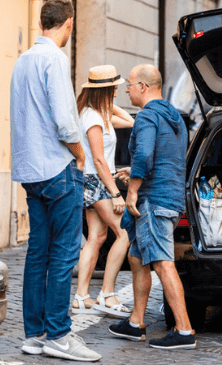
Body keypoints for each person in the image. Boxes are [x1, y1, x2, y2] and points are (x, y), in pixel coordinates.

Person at [10, 0, 100, 362]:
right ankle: (60, 336)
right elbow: (65, 118)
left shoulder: (22, 60)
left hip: (30, 169)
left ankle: (36, 334)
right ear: (68, 24)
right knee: (63, 256)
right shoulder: (54, 59)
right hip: (57, 168)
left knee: (37, 254)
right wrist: (80, 155)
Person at [108, 64, 196, 350]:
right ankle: (136, 323)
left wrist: (132, 190)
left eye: (130, 84)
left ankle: (183, 330)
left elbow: (145, 153)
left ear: (144, 87)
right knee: (136, 257)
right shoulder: (174, 117)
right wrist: (133, 170)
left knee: (162, 262)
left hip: (153, 201)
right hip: (169, 197)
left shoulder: (146, 116)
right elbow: (163, 156)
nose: (127, 89)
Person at [72, 65, 135, 317]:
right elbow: (98, 160)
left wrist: (106, 103)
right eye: (114, 89)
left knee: (97, 238)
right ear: (105, 90)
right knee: (124, 232)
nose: (118, 93)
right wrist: (116, 193)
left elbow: (131, 121)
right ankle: (107, 295)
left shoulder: (100, 114)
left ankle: (81, 297)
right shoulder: (92, 117)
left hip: (94, 181)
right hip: (94, 181)